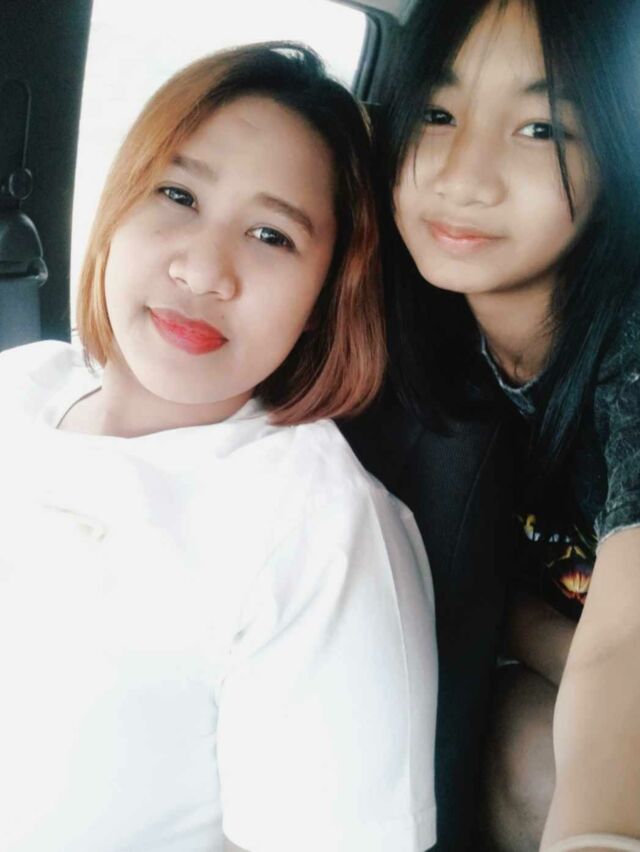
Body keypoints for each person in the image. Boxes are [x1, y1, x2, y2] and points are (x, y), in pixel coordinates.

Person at [0, 43, 438, 852]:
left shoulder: (318, 524)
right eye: (177, 195)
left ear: (326, 295)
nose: (204, 270)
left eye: (272, 235)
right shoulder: (21, 383)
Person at [376, 0, 640, 849]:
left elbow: (627, 638)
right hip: (551, 665)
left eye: (540, 129)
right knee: (522, 745)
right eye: (437, 114)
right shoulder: (403, 325)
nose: (464, 177)